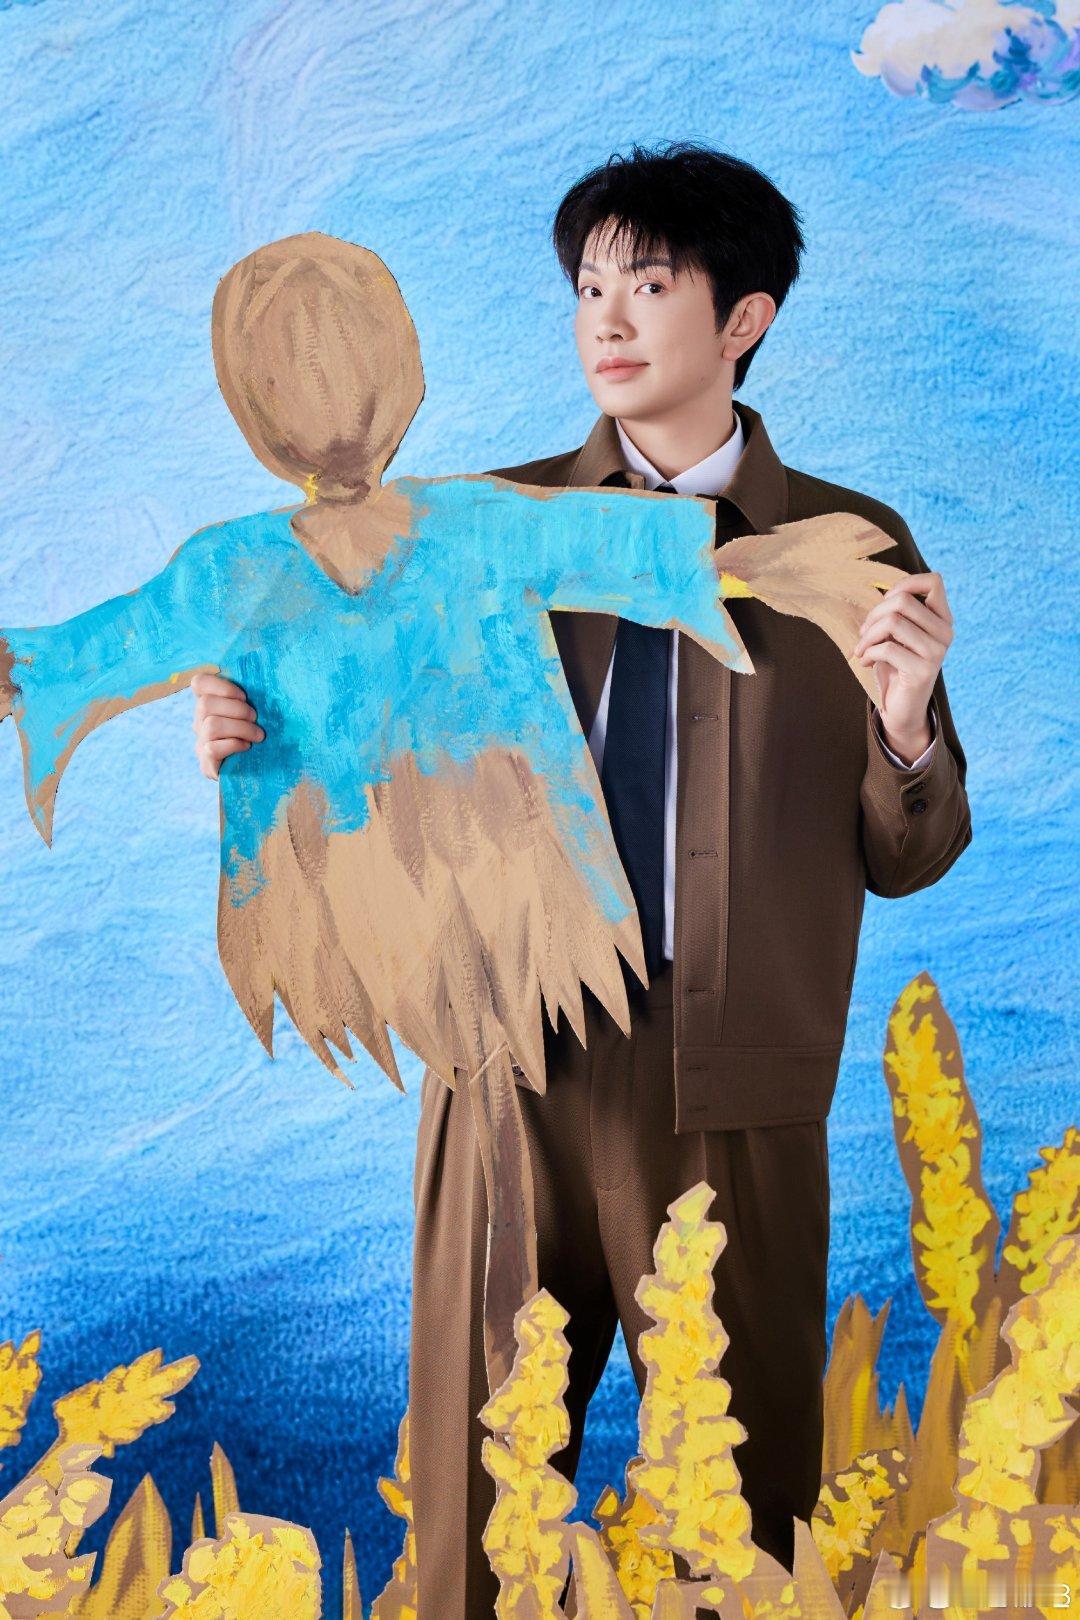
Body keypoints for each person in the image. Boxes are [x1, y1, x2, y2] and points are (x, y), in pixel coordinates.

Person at [191, 143, 972, 1615]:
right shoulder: (473, 529)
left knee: (743, 1523)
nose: (606, 319)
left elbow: (910, 853)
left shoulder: (852, 548)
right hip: (508, 1060)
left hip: (734, 1077)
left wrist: (905, 722)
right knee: (473, 1503)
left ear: (744, 320)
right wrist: (253, 742)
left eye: (650, 286)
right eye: (589, 286)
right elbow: (359, 768)